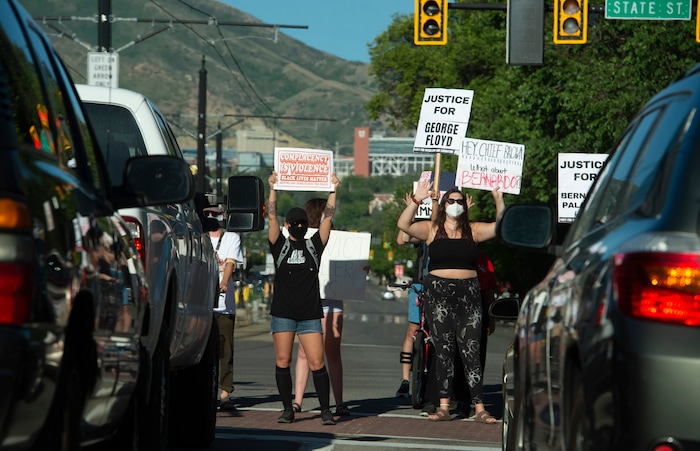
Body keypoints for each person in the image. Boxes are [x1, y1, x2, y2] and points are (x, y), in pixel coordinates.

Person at [397, 182, 504, 423]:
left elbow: (500, 227)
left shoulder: (473, 230)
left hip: (468, 295)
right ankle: (443, 406)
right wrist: (417, 200)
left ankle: (479, 408)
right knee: (443, 351)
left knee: (471, 352)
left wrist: (498, 198)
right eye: (451, 201)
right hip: (439, 294)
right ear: (444, 206)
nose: (456, 205)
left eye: (459, 201)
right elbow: (403, 226)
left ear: (466, 205)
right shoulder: (432, 229)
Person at [267, 170, 340, 426]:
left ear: (306, 225)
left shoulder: (314, 245)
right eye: (294, 222)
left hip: (309, 313)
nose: (298, 225)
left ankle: (325, 410)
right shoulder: (279, 244)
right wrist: (273, 188)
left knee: (317, 362)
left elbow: (328, 217)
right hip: (283, 313)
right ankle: (288, 408)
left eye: (302, 222)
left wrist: (333, 190)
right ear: (288, 226)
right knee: (283, 361)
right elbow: (271, 214)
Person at [293, 198, 348, 416]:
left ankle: (297, 400)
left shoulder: (328, 239)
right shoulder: (333, 238)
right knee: (332, 353)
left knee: (304, 353)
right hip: (330, 302)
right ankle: (339, 402)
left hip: (313, 300)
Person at [205, 205, 244, 411]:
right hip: (200, 302)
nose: (211, 217)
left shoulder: (231, 238)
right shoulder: (198, 236)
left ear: (224, 215)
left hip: (223, 304)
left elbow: (230, 262)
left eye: (216, 213)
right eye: (207, 213)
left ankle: (225, 392)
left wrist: (224, 282)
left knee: (225, 349)